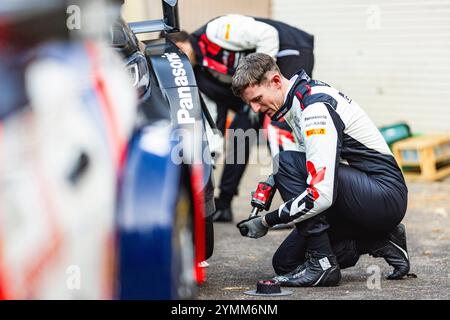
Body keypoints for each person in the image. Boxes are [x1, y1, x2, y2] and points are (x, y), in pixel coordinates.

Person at [232, 53, 410, 286]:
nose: (255, 109)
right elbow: (312, 161)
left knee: (285, 162)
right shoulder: (296, 101)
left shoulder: (314, 108)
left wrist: (267, 221)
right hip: (359, 197)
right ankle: (377, 239)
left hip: (384, 195)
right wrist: (273, 180)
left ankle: (322, 264)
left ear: (276, 81)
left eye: (257, 99)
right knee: (286, 263)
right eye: (249, 103)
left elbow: (320, 194)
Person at [165, 14, 314, 222]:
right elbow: (214, 120)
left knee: (277, 124)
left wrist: (257, 79)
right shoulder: (198, 76)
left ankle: (302, 205)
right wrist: (207, 163)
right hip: (258, 84)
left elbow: (268, 35)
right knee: (239, 133)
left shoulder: (216, 31)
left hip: (289, 50)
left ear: (181, 44)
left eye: (176, 55)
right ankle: (224, 203)